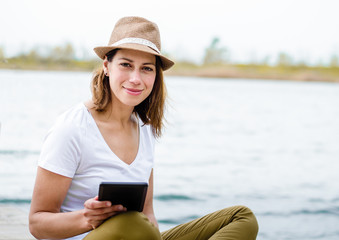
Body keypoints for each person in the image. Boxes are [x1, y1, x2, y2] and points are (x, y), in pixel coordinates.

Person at [29, 16, 258, 240]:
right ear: (107, 66)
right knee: (130, 221)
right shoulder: (72, 129)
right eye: (126, 65)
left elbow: (148, 215)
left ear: (155, 76)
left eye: (146, 69)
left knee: (242, 217)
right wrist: (87, 218)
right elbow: (37, 224)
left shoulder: (144, 129)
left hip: (138, 234)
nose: (136, 78)